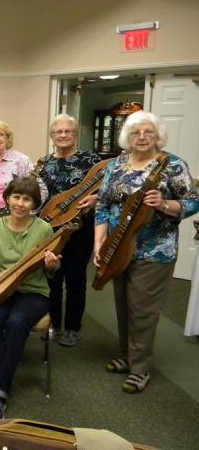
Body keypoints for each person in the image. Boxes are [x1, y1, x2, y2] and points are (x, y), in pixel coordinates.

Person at [94, 111, 199, 394]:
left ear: (158, 136)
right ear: (127, 137)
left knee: (142, 309)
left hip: (154, 250)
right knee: (123, 305)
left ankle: (140, 369)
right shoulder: (117, 164)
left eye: (148, 132)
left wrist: (164, 204)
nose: (142, 137)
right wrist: (99, 242)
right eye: (136, 132)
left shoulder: (172, 165)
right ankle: (128, 356)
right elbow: (103, 204)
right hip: (118, 247)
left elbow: (193, 202)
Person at [0, 177, 59, 425]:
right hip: (0, 290)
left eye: (27, 199)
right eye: (16, 197)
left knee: (16, 323)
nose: (20, 203)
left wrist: (52, 265)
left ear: (34, 204)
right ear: (7, 199)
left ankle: (0, 392)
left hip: (34, 292)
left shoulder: (44, 230)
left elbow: (50, 272)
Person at [38, 114, 101, 346]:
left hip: (80, 228)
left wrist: (96, 198)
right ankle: (53, 324)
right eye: (59, 132)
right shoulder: (44, 163)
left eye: (68, 131)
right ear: (52, 135)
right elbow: (39, 195)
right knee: (52, 278)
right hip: (51, 228)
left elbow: (108, 187)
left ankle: (73, 328)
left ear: (75, 134)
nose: (63, 135)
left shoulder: (90, 159)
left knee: (75, 279)